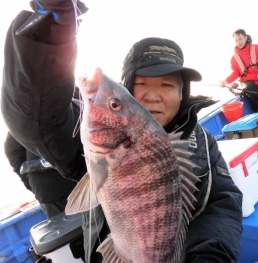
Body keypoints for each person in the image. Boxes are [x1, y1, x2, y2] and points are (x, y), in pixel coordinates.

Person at [1, 1, 243, 263]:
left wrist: (209, 257)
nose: (153, 96)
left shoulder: (203, 140)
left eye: (166, 84)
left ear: (182, 92)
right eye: (141, 84)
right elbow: (35, 113)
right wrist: (52, 28)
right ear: (127, 87)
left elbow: (222, 203)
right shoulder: (84, 140)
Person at [4, 132, 77, 218]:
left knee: (70, 228)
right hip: (75, 180)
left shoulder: (20, 121)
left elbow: (13, 152)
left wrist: (31, 182)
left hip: (49, 188)